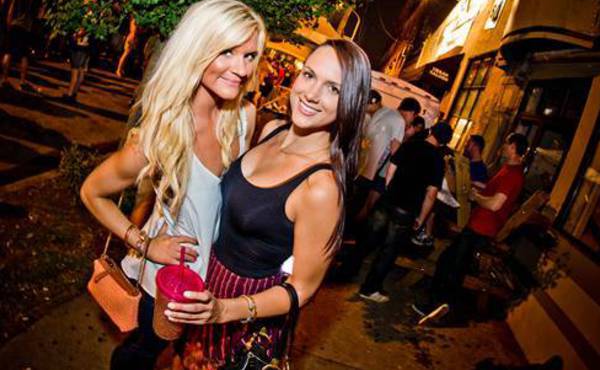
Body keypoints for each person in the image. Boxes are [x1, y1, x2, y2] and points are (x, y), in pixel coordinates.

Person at [80, 0, 266, 370]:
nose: (242, 68)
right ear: (198, 49)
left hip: (216, 280)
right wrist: (145, 244)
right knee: (142, 354)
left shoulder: (244, 117)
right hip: (171, 281)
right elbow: (92, 192)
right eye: (227, 52)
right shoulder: (163, 132)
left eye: (249, 56)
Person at [164, 39, 371, 369]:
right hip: (207, 283)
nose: (311, 94)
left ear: (351, 103)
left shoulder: (321, 187)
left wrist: (225, 310)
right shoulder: (273, 130)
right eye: (309, 75)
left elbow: (302, 289)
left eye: (333, 89)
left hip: (245, 311)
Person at [412, 132, 528, 322]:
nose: (503, 146)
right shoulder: (507, 169)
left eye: (506, 143)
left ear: (514, 147)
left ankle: (438, 309)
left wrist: (476, 197)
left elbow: (495, 204)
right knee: (448, 262)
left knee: (453, 269)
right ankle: (435, 305)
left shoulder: (514, 175)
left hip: (482, 229)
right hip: (477, 225)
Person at [357, 122, 453, 303]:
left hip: (387, 200)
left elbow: (391, 168)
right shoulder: (438, 161)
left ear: (431, 131)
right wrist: (422, 219)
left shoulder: (410, 144)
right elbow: (431, 194)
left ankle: (344, 271)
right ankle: (369, 289)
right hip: (406, 210)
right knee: (389, 250)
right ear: (443, 142)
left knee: (367, 238)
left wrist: (389, 189)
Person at [1, 0, 40, 92]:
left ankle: (4, 78)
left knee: (8, 52)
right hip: (25, 28)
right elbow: (37, 15)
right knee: (24, 55)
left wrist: (9, 24)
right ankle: (22, 81)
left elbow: (10, 12)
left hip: (15, 25)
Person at [63, 27, 92, 102]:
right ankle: (72, 94)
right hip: (81, 52)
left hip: (81, 52)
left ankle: (71, 94)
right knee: (78, 75)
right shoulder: (80, 29)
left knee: (78, 75)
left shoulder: (87, 28)